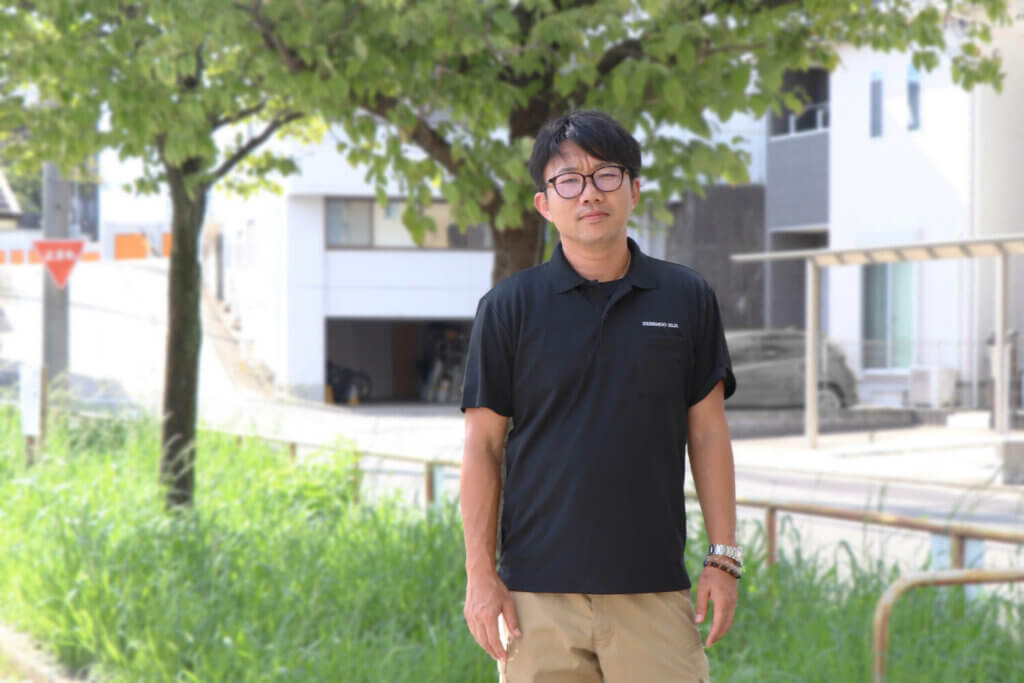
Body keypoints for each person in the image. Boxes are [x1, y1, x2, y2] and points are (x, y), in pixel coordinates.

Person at [459, 109, 739, 682]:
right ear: (544, 204)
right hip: (535, 598)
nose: (589, 193)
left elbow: (709, 434)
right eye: (568, 180)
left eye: (606, 175)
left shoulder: (686, 297)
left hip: (652, 590)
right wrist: (480, 576)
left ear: (634, 190)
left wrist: (724, 557)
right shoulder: (509, 308)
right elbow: (483, 447)